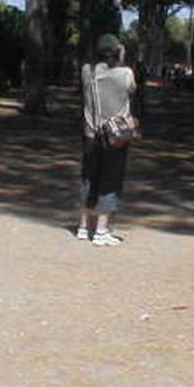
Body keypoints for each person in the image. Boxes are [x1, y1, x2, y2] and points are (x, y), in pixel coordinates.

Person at [78, 33, 136, 246]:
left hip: (91, 135)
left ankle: (84, 227)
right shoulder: (126, 74)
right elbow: (133, 90)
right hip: (115, 137)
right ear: (117, 52)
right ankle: (102, 230)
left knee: (89, 178)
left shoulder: (87, 71)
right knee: (110, 180)